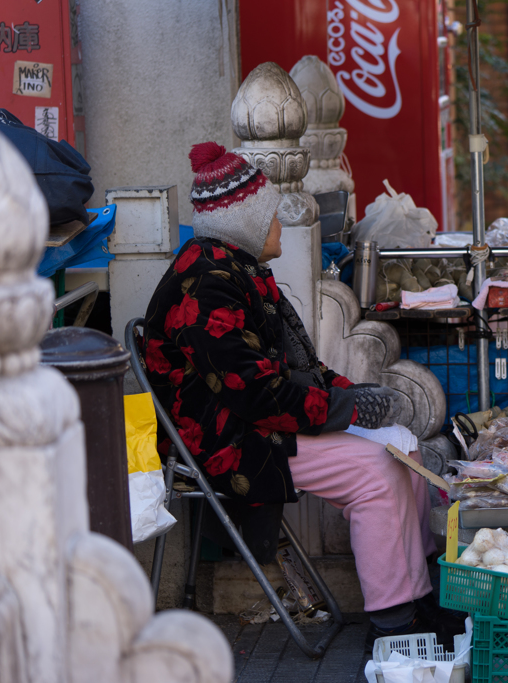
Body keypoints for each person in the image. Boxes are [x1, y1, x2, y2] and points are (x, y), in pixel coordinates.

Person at [143, 142, 453, 645]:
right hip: (226, 440)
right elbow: (256, 394)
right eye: (270, 216)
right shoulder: (205, 283)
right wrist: (342, 409)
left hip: (254, 423)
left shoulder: (239, 269)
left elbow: (300, 370)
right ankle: (394, 621)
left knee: (403, 444)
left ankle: (417, 597)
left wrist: (358, 396)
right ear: (243, 221)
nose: (279, 226)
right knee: (375, 469)